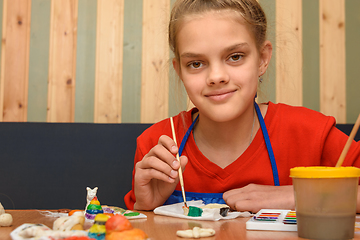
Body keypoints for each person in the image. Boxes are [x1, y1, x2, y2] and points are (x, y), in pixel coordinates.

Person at [124, 0, 360, 213]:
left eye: (235, 56)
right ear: (180, 72)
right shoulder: (156, 144)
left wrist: (297, 196)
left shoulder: (311, 134)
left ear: (262, 59)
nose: (216, 76)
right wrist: (146, 208)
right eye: (196, 63)